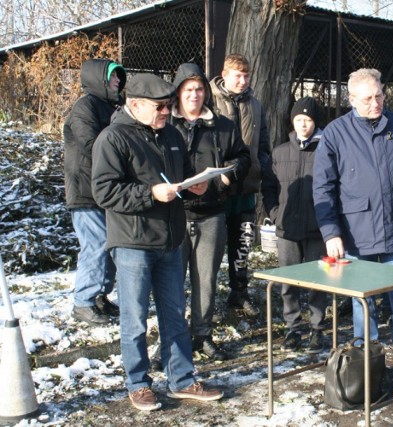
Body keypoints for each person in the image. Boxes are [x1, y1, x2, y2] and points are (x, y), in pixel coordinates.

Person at [92, 73, 223, 411]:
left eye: (168, 105)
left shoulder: (170, 135)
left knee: (174, 314)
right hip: (134, 242)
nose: (167, 111)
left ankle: (181, 379)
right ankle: (138, 383)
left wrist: (193, 185)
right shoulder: (113, 138)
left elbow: (176, 177)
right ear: (134, 105)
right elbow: (104, 191)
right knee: (135, 317)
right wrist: (149, 194)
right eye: (160, 106)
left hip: (170, 239)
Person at [312, 68, 393, 398]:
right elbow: (323, 188)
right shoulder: (336, 133)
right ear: (351, 100)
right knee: (361, 304)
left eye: (379, 95)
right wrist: (330, 232)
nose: (375, 102)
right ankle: (366, 370)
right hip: (355, 233)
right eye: (367, 98)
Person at [170, 63, 251, 361]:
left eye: (199, 89)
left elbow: (242, 156)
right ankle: (173, 338)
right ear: (178, 92)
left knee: (206, 280)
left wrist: (226, 177)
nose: (194, 94)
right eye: (188, 89)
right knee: (172, 281)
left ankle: (202, 335)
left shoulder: (222, 126)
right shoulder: (166, 126)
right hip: (174, 216)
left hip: (212, 213)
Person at [261, 97, 328, 353]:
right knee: (288, 282)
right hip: (286, 229)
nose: (303, 124)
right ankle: (292, 329)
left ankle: (317, 329)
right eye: (299, 119)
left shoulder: (326, 150)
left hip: (317, 229)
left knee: (317, 282)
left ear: (315, 122)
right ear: (292, 121)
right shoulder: (279, 152)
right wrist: (275, 213)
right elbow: (269, 187)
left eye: (308, 120)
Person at [63, 58, 126, 325]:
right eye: (113, 78)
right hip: (85, 192)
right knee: (96, 245)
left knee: (110, 244)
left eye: (119, 78)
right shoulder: (84, 108)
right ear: (98, 79)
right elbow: (94, 144)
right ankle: (83, 302)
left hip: (105, 192)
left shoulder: (110, 107)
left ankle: (100, 296)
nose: (118, 82)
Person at [210, 53, 270, 320]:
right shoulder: (210, 100)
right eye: (238, 75)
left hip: (246, 187)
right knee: (211, 247)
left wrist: (260, 164)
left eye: (246, 76)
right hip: (216, 188)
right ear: (224, 74)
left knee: (243, 243)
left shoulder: (255, 105)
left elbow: (264, 141)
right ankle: (206, 300)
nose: (243, 81)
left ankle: (239, 292)